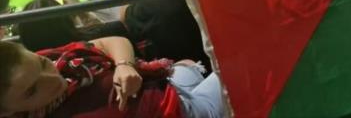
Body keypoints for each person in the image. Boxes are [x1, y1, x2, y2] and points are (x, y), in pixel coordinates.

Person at [0, 36, 223, 118]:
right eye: (32, 90)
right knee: (246, 65)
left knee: (190, 66)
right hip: (180, 111)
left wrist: (124, 65)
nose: (54, 79)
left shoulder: (53, 57)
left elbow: (110, 42)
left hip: (165, 85)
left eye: (42, 64)